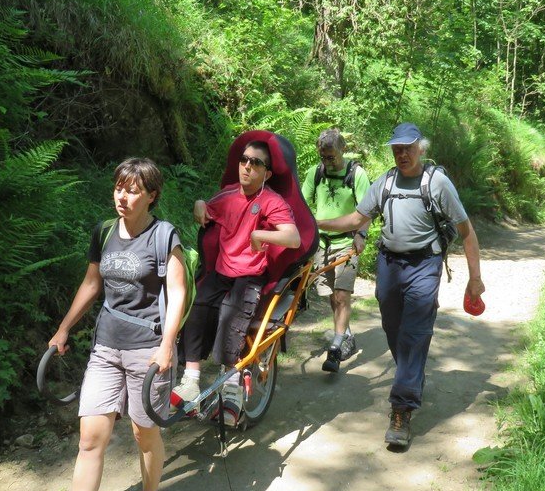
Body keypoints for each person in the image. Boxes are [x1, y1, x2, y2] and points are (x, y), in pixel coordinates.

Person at [25, 158, 186, 491]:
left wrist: (167, 344)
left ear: (152, 196)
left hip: (148, 351)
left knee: (143, 434)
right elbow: (92, 282)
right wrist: (64, 328)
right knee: (90, 438)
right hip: (105, 347)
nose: (123, 196)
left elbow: (178, 291)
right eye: (119, 187)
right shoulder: (105, 231)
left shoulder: (164, 236)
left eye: (132, 190)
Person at [317, 123, 484, 450]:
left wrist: (475, 278)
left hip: (425, 265)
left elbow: (466, 231)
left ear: (420, 148)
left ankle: (401, 409)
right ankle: (411, 373)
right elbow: (355, 220)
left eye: (408, 147)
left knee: (414, 332)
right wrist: (314, 223)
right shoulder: (387, 182)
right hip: (389, 265)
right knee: (393, 327)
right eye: (396, 148)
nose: (402, 154)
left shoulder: (437, 184)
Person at [173, 140, 300, 425]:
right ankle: (191, 378)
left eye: (256, 163)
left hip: (251, 274)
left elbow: (293, 238)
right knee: (198, 307)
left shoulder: (271, 201)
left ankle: (230, 385)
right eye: (244, 160)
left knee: (232, 316)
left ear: (267, 173)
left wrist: (262, 236)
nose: (247, 166)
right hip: (221, 271)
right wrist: (198, 205)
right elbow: (204, 206)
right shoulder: (228, 195)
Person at [301, 128, 372, 373]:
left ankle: (336, 346)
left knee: (342, 295)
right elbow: (301, 204)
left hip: (346, 242)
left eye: (331, 156)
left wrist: (361, 235)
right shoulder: (316, 173)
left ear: (342, 149)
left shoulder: (356, 174)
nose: (327, 162)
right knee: (331, 296)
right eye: (323, 157)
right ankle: (346, 335)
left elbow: (366, 210)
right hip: (321, 244)